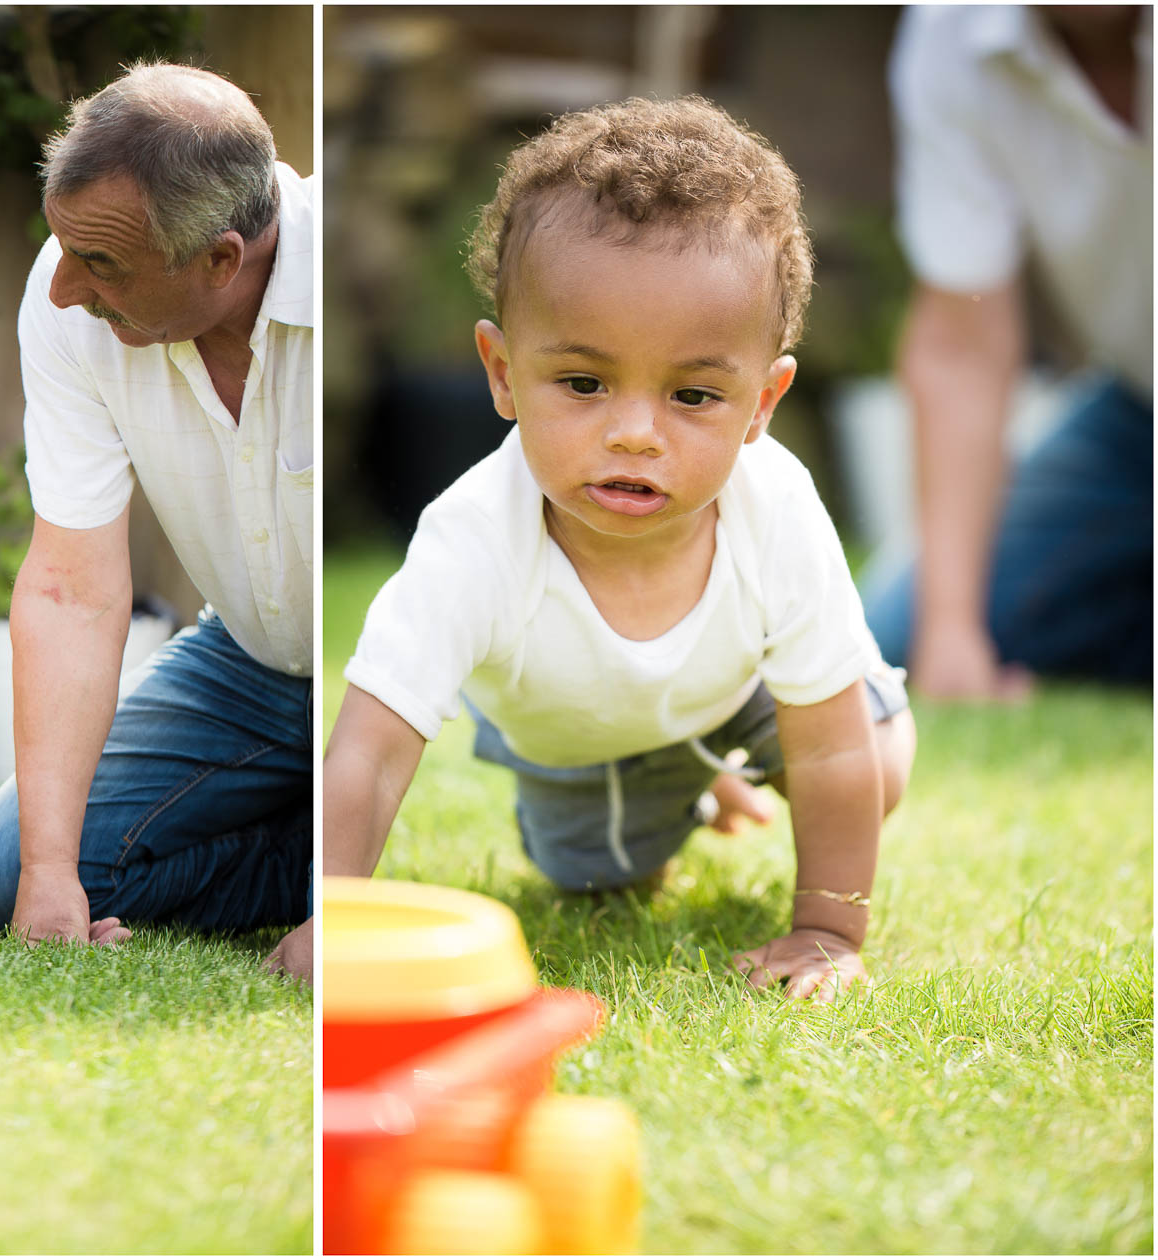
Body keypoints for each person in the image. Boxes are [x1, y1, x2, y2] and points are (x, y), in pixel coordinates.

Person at [325, 97, 918, 1001]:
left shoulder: (778, 508)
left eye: (693, 398)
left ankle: (726, 758)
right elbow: (366, 756)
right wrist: (331, 921)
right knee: (595, 883)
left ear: (762, 403)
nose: (636, 434)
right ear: (502, 373)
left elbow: (831, 751)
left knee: (871, 767)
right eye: (585, 382)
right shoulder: (473, 538)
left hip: (746, 687)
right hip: (576, 738)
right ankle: (689, 785)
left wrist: (827, 933)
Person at [0, 64, 314, 980]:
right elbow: (72, 585)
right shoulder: (67, 294)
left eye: (104, 264)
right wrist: (48, 873)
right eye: (64, 247)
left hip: (384, 675)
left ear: (222, 261)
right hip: (248, 662)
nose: (66, 288)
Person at [862, 5, 1152, 700]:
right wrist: (953, 629)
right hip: (1138, 415)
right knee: (894, 641)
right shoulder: (950, 34)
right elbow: (963, 346)